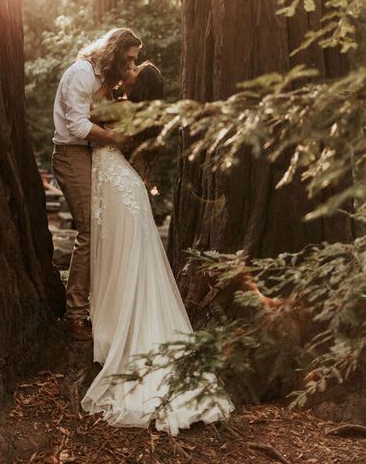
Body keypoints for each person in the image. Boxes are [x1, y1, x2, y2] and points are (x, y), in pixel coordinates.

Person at [81, 62, 234, 434]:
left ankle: (119, 330)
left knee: (124, 260)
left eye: (135, 70)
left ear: (140, 84)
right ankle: (113, 323)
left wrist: (106, 74)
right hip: (120, 185)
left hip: (120, 187)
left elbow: (88, 111)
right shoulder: (140, 110)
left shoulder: (127, 108)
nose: (128, 71)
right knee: (121, 258)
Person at [52, 28, 142, 340]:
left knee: (106, 226)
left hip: (93, 156)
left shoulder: (103, 81)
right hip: (71, 155)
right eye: (128, 59)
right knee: (90, 228)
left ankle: (100, 306)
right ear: (115, 53)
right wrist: (116, 138)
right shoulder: (81, 74)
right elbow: (77, 126)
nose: (130, 65)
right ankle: (75, 314)